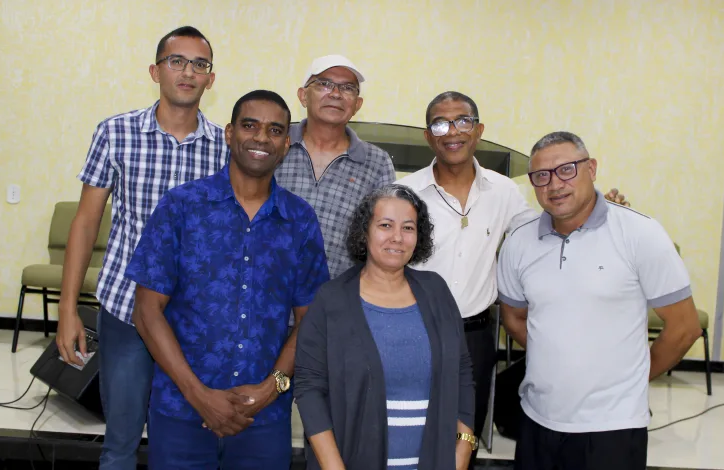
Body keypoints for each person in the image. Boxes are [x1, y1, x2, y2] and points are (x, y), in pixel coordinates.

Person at [397, 91, 629, 465]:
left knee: (464, 436)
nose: (452, 131)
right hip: (412, 331)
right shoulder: (407, 193)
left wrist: (599, 212)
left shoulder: (504, 191)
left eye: (463, 121)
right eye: (440, 123)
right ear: (428, 135)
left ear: (479, 131)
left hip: (473, 338)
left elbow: (546, 233)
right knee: (407, 428)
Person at [124, 90, 330, 469]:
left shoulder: (299, 220)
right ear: (229, 133)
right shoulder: (182, 206)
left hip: (263, 420)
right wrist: (199, 394)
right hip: (181, 410)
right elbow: (147, 312)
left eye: (274, 130)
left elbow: (311, 322)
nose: (260, 138)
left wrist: (271, 388)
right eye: (250, 126)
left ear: (286, 143)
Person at [55, 26, 227, 469]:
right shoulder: (115, 133)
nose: (187, 72)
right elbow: (86, 222)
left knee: (187, 441)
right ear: (156, 71)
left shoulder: (223, 149)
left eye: (199, 64)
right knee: (121, 442)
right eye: (177, 61)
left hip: (192, 319)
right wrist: (68, 309)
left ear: (211, 78)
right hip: (125, 309)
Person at [496, 131, 702, 470]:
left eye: (566, 169)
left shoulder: (640, 234)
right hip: (537, 418)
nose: (554, 184)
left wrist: (633, 377)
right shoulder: (519, 242)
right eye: (541, 176)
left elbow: (684, 327)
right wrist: (558, 361)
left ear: (591, 168)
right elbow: (515, 318)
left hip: (613, 426)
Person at [295, 184, 476, 470]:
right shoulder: (331, 299)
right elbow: (309, 388)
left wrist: (464, 446)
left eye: (408, 227)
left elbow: (463, 371)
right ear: (364, 232)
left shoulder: (436, 292)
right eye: (385, 225)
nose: (397, 238)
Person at [275, 54, 396, 279]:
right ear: (303, 96)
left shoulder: (376, 163)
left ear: (357, 104)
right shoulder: (275, 143)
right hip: (263, 296)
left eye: (348, 88)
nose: (336, 94)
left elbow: (384, 238)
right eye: (324, 84)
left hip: (336, 302)